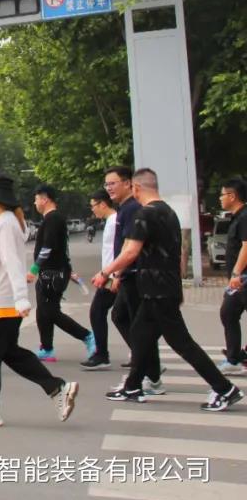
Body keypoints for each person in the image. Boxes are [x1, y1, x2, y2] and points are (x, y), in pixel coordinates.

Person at [101, 169, 243, 412]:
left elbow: (131, 251)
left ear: (136, 188)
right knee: (140, 335)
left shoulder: (145, 214)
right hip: (162, 288)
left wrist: (106, 272)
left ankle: (224, 389)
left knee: (181, 342)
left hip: (158, 291)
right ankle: (132, 386)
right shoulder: (168, 212)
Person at [0, 172, 79, 427]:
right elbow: (1, 256)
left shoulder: (5, 224)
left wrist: (21, 299)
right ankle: (56, 388)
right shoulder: (6, 222)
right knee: (9, 353)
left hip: (2, 303)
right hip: (0, 301)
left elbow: (13, 263)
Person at [99, 165, 164, 394]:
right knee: (122, 318)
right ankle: (148, 370)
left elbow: (131, 248)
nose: (109, 188)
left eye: (113, 183)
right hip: (128, 274)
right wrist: (118, 274)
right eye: (107, 184)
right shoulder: (125, 208)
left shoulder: (133, 208)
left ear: (128, 184)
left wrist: (112, 272)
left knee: (141, 328)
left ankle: (149, 375)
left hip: (136, 276)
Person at [29, 184, 95, 361]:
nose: (35, 203)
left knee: (50, 311)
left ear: (45, 199)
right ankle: (47, 349)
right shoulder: (53, 218)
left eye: (36, 199)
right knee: (43, 311)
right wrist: (69, 270)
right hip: (53, 271)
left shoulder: (53, 218)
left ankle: (87, 336)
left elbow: (48, 247)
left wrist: (34, 269)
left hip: (52, 273)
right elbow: (62, 248)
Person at [82, 189, 124, 370]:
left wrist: (114, 275)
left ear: (103, 204)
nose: (92, 210)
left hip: (114, 277)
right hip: (109, 274)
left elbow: (121, 251)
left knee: (98, 312)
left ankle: (102, 355)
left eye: (93, 206)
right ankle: (144, 356)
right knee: (123, 317)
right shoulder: (110, 221)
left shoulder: (115, 222)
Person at [218, 178, 247, 375]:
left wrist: (236, 273)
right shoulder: (238, 217)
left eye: (222, 195)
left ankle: (234, 359)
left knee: (228, 313)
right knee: (228, 313)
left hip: (243, 278)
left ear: (232, 196)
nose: (220, 198)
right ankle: (235, 357)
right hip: (239, 279)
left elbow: (246, 246)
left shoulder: (244, 217)